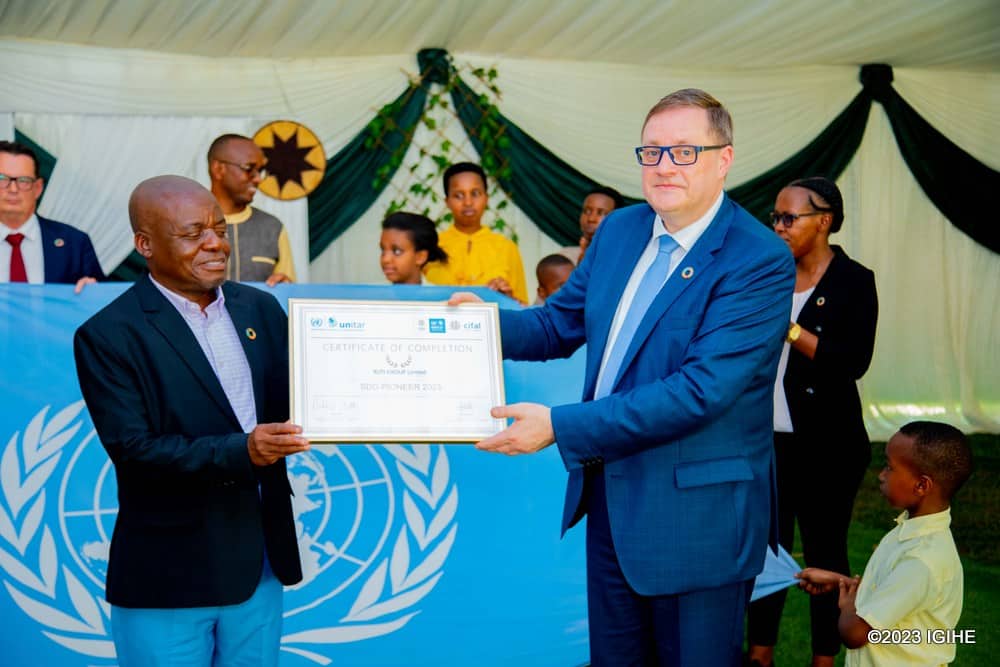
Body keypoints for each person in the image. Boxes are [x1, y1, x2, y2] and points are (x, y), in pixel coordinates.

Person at [450, 89, 795, 666]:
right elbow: (559, 322)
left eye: (684, 151)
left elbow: (700, 391)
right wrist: (480, 328)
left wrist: (559, 426)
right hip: (613, 500)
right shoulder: (621, 230)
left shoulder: (757, 259)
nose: (664, 166)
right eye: (651, 151)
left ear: (724, 160)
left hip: (699, 520)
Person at [73, 175, 308, 666]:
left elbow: (305, 398)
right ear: (145, 245)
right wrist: (244, 449)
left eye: (219, 229)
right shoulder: (109, 334)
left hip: (260, 564)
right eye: (193, 233)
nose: (215, 243)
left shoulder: (260, 309)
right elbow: (135, 451)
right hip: (169, 572)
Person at [747, 177, 879, 667]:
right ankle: (759, 652)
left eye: (789, 218)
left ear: (824, 221)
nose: (778, 227)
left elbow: (852, 361)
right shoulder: (767, 274)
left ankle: (824, 657)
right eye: (775, 218)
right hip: (766, 440)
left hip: (829, 444)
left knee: (825, 552)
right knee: (765, 551)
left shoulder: (854, 280)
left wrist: (789, 329)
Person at [796, 421, 972, 667]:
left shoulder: (920, 562)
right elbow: (891, 592)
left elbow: (854, 633)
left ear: (922, 485)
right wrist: (839, 582)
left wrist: (848, 605)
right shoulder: (911, 533)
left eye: (889, 467)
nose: (881, 475)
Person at [0, 140, 103, 292]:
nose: (13, 189)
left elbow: (109, 302)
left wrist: (96, 292)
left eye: (24, 181)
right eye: (2, 179)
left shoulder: (75, 243)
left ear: (38, 188)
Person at [423, 162, 528, 303]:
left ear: (486, 198)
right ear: (447, 201)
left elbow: (522, 307)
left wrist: (507, 299)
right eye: (458, 195)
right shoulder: (431, 247)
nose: (468, 202)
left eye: (475, 194)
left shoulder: (507, 248)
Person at [208, 133, 296, 286]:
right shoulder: (187, 223)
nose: (258, 179)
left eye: (260, 170)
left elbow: (287, 289)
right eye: (249, 168)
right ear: (218, 169)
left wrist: (285, 286)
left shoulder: (272, 227)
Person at [379, 211, 448, 285]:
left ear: (420, 257)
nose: (385, 259)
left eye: (397, 251)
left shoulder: (436, 293)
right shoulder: (374, 292)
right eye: (383, 250)